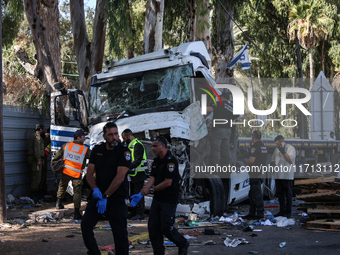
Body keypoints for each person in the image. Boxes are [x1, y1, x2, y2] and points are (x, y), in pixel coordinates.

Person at [81, 122, 131, 255]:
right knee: (86, 225)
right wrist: (95, 189)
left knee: (120, 234)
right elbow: (89, 174)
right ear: (104, 136)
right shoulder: (98, 150)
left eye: (116, 134)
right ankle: (94, 252)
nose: (114, 137)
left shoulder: (124, 151)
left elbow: (120, 177)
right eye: (110, 135)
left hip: (116, 198)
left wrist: (106, 196)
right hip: (98, 196)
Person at [141, 136, 189, 255]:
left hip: (168, 200)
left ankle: (182, 243)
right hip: (158, 199)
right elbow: (153, 177)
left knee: (166, 227)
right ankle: (158, 252)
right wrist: (146, 187)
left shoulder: (170, 161)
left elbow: (168, 182)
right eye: (152, 146)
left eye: (155, 146)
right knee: (153, 228)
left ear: (162, 146)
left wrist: (152, 189)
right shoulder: (157, 161)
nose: (152, 148)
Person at [53, 129, 91, 220]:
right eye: (83, 137)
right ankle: (77, 213)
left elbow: (56, 158)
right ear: (78, 138)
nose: (85, 139)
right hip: (76, 173)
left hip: (66, 171)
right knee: (77, 191)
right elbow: (93, 157)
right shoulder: (84, 149)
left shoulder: (66, 146)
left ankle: (58, 204)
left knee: (62, 186)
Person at [121, 129, 148, 220]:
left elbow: (137, 160)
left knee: (138, 193)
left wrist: (127, 168)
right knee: (132, 194)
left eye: (124, 138)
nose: (123, 140)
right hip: (132, 174)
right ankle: (134, 212)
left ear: (129, 136)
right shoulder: (129, 145)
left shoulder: (137, 145)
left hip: (139, 173)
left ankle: (140, 213)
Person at [207, 91, 239, 166]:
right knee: (226, 149)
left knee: (216, 148)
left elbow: (210, 109)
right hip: (228, 131)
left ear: (222, 98)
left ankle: (215, 166)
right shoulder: (231, 107)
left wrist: (198, 108)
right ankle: (229, 165)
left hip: (219, 130)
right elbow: (236, 117)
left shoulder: (219, 104)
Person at [244, 130, 267, 220]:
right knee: (252, 194)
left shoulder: (255, 147)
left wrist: (245, 161)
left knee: (256, 195)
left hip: (255, 173)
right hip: (260, 173)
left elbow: (251, 160)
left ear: (253, 137)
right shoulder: (263, 146)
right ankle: (252, 213)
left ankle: (260, 213)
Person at [272, 135, 296, 218]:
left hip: (287, 175)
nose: (276, 145)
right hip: (278, 175)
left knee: (288, 194)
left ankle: (288, 211)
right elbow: (274, 159)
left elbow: (290, 160)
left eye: (278, 144)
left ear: (282, 142)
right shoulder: (276, 149)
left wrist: (283, 152)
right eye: (276, 144)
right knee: (280, 194)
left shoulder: (290, 148)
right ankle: (282, 210)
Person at [27, 124, 45, 202]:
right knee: (37, 177)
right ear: (40, 129)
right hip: (35, 160)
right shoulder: (37, 137)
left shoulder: (32, 136)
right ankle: (33, 194)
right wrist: (38, 159)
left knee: (34, 176)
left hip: (32, 159)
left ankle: (34, 194)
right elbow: (37, 150)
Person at [38, 126, 51, 199]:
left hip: (44, 158)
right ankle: (41, 190)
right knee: (42, 174)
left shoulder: (46, 136)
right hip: (43, 158)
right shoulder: (47, 137)